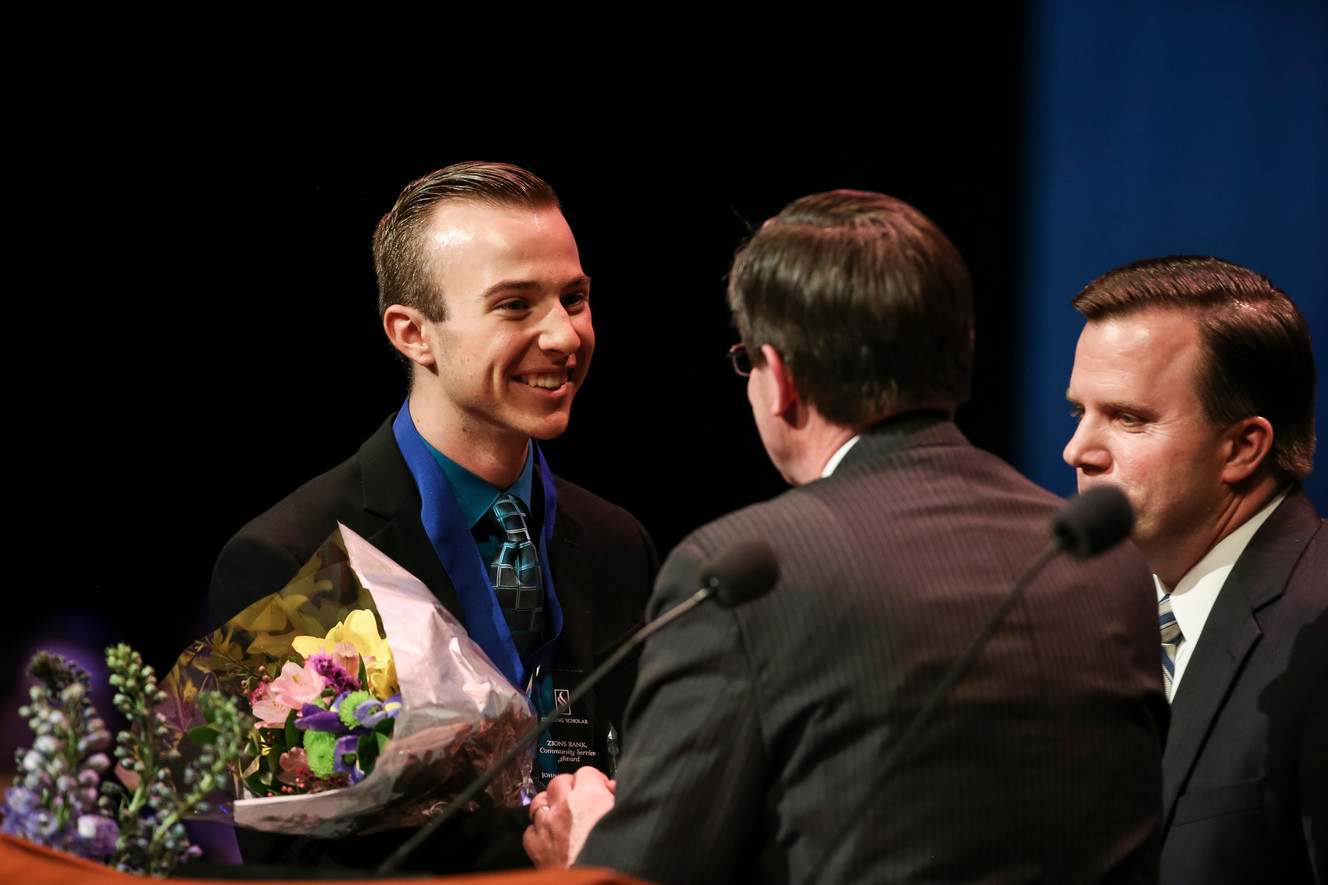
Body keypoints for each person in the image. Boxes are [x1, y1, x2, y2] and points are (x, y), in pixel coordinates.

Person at [524, 189, 1167, 884]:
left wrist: (584, 851)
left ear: (783, 381)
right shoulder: (1109, 564)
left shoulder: (745, 572)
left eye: (748, 362)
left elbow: (646, 872)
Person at [209, 161, 657, 873]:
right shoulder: (293, 555)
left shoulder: (615, 542)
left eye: (574, 298)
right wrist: (529, 855)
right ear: (412, 333)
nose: (565, 337)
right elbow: (291, 862)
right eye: (516, 305)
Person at [1062, 255, 1327, 884]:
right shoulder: (1097, 623)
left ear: (1242, 447)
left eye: (1128, 418)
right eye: (1080, 412)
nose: (1078, 451)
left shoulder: (1319, 625)